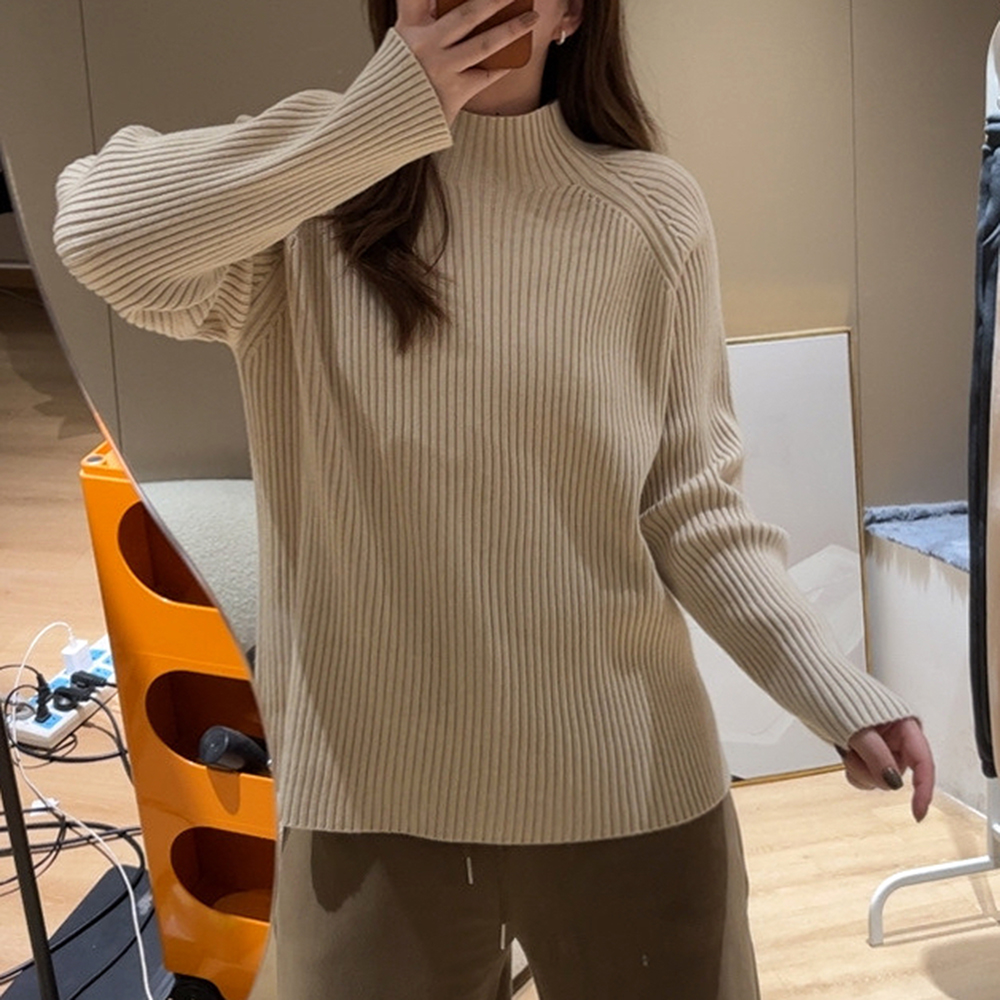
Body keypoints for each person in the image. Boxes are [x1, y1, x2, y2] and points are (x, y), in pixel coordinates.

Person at [53, 1, 935, 997]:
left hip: (628, 780)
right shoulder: (312, 195)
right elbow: (98, 229)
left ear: (571, 14)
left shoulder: (650, 212)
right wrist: (379, 118)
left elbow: (693, 507)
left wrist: (833, 689)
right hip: (370, 795)